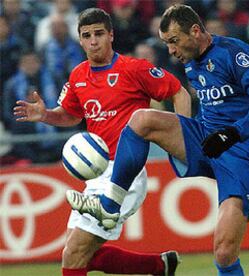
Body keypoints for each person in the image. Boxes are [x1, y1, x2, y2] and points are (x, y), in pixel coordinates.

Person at [65, 4, 249, 275]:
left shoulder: (235, 54)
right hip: (208, 140)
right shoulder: (190, 60)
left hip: (243, 152)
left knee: (224, 252)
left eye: (174, 41)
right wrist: (186, 131)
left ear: (195, 31)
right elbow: (206, 105)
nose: (170, 50)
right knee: (142, 119)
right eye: (166, 43)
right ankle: (109, 206)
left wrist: (233, 132)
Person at [13, 8, 188, 276]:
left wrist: (183, 136)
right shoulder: (78, 75)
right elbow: (71, 116)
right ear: (80, 40)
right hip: (95, 174)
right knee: (82, 254)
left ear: (111, 35)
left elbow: (178, 91)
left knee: (73, 254)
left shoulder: (134, 68)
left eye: (98, 34)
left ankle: (159, 266)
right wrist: (45, 114)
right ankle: (159, 266)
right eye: (86, 35)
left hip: (123, 174)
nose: (93, 41)